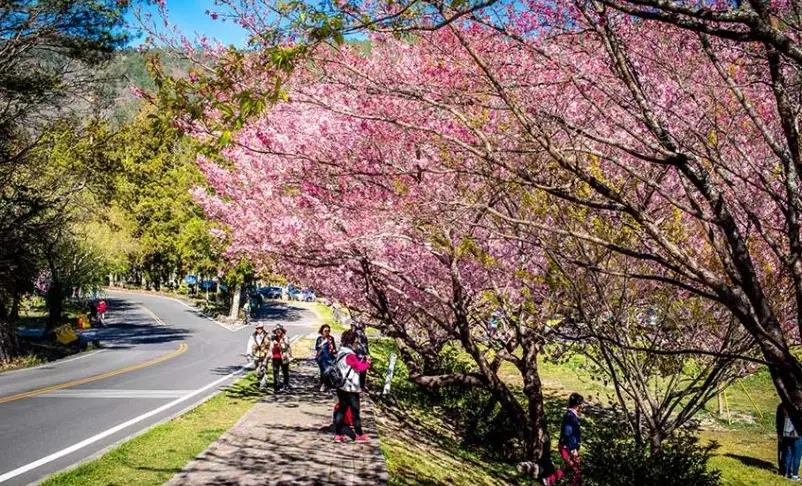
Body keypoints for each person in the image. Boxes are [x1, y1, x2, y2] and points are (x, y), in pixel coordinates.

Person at [333, 330, 371, 443]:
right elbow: (360, 367)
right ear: (350, 342)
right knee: (355, 412)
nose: (357, 344)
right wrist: (368, 362)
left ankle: (338, 435)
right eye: (356, 342)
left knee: (342, 410)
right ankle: (359, 435)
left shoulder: (341, 352)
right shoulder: (350, 356)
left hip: (341, 386)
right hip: (351, 388)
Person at [543, 393, 584, 486]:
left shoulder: (572, 416)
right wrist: (573, 448)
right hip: (567, 447)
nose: (582, 406)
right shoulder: (570, 416)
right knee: (577, 470)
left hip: (568, 447)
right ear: (577, 405)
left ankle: (549, 480)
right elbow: (568, 433)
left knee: (569, 468)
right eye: (581, 404)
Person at [778, 403, 802, 480]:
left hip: (787, 433)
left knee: (789, 454)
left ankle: (787, 474)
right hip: (798, 434)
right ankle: (795, 476)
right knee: (797, 456)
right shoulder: (799, 407)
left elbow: (779, 420)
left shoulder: (784, 407)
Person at [246, 323, 270, 390]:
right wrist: (248, 354)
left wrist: (270, 354)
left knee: (263, 369)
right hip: (256, 355)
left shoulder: (267, 335)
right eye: (257, 328)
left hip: (264, 355)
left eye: (260, 328)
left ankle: (263, 385)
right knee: (258, 371)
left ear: (262, 328)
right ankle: (260, 380)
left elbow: (270, 345)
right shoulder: (253, 336)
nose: (259, 330)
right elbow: (249, 345)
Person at [315, 324, 337, 392]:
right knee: (323, 372)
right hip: (321, 358)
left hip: (330, 358)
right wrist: (322, 344)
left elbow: (334, 348)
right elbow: (317, 348)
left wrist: (334, 351)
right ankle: (323, 384)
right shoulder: (319, 339)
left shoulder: (331, 338)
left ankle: (328, 384)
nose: (327, 332)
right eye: (325, 331)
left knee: (329, 371)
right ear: (322, 331)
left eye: (328, 331)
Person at [271, 324, 293, 393]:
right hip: (275, 357)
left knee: (285, 372)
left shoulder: (285, 338)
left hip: (283, 357)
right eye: (276, 330)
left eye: (279, 330)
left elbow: (285, 347)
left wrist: (280, 343)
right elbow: (270, 347)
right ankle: (277, 387)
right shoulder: (273, 338)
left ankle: (286, 385)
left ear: (282, 331)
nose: (278, 332)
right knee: (275, 372)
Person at [351, 320, 370, 389]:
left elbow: (365, 346)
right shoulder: (361, 335)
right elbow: (365, 347)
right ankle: (360, 387)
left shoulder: (359, 335)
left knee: (357, 372)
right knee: (361, 372)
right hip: (359, 355)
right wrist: (367, 355)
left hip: (359, 356)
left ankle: (358, 386)